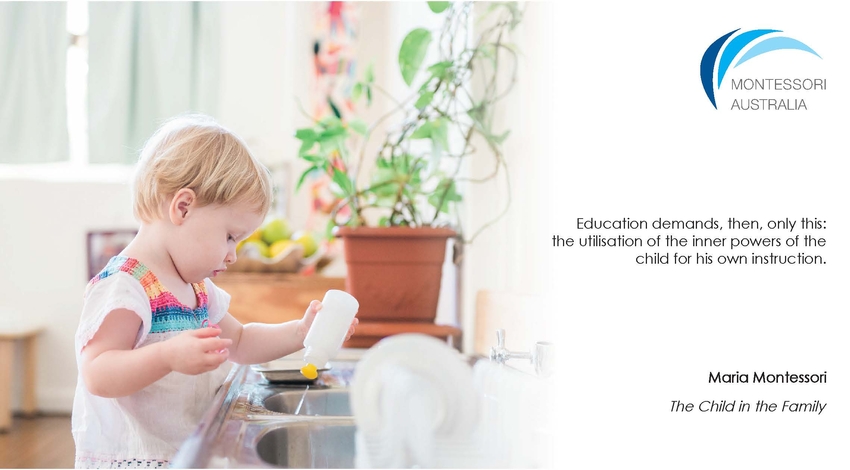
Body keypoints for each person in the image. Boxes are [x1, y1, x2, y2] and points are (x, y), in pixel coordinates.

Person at [72, 114, 358, 469]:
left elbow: (240, 342)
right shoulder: (126, 287)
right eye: (229, 236)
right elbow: (97, 372)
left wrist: (302, 332)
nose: (233, 254)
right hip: (139, 460)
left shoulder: (197, 289)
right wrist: (166, 357)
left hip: (186, 455)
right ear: (183, 207)